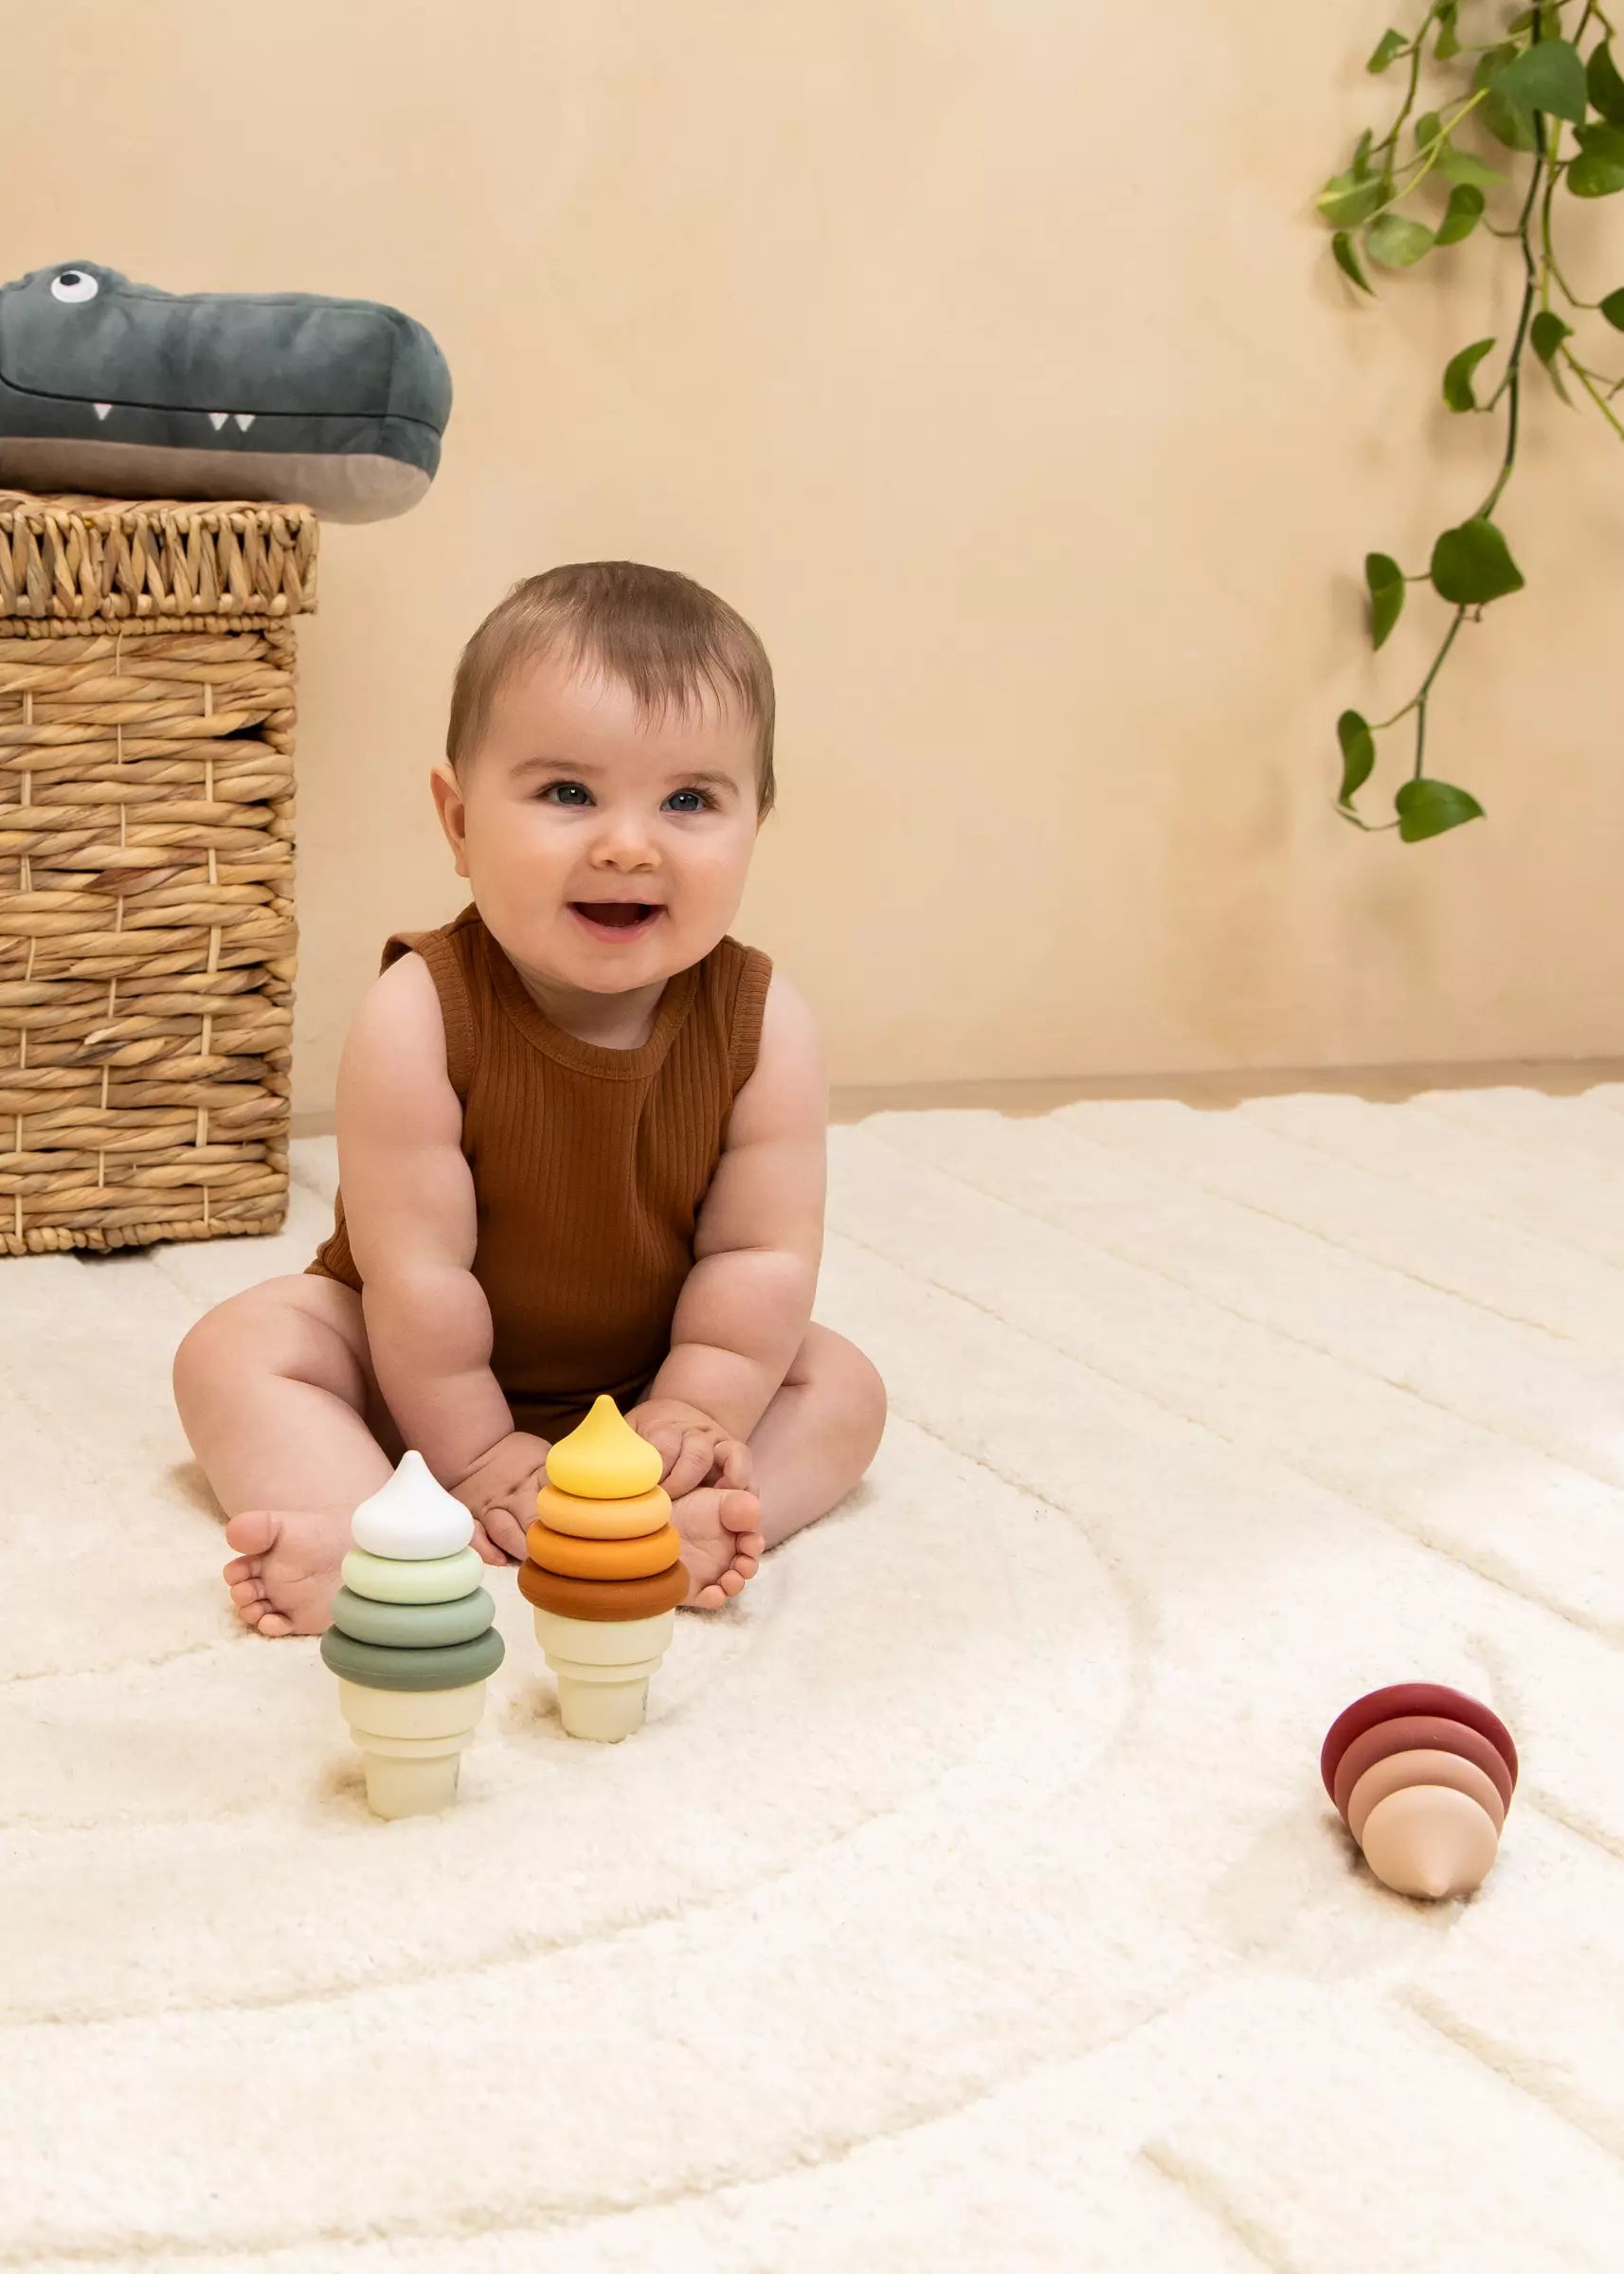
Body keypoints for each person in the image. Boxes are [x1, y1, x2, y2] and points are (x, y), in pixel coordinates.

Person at [173, 561, 887, 1635]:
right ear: (458, 825)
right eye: (567, 793)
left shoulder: (764, 1021)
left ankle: (658, 1529)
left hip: (649, 1374)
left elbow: (757, 1260)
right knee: (239, 1350)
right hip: (410, 1372)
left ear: (755, 825)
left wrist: (692, 1411)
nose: (627, 842)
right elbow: (418, 1276)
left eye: (690, 800)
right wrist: (475, 1454)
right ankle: (387, 1538)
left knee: (839, 1386)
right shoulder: (420, 1011)